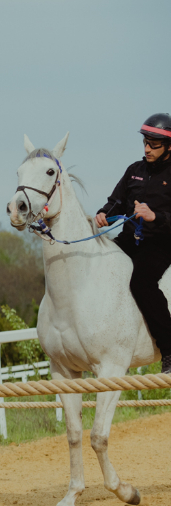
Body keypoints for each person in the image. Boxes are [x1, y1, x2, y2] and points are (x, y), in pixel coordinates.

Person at [95, 113, 171, 373]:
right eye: (145, 142)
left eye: (154, 144)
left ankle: (169, 349)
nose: (147, 148)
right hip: (129, 239)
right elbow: (116, 200)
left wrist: (155, 216)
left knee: (141, 282)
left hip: (161, 243)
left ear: (169, 146)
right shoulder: (134, 170)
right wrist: (104, 213)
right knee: (98, 266)